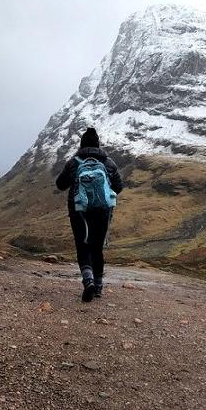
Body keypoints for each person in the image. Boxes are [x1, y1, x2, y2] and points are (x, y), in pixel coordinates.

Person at [55, 127, 123, 302]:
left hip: (79, 210)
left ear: (82, 144)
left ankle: (88, 281)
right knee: (97, 248)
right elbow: (119, 187)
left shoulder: (74, 162)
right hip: (103, 210)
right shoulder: (109, 162)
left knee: (83, 245)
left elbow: (60, 184)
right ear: (98, 144)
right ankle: (99, 287)